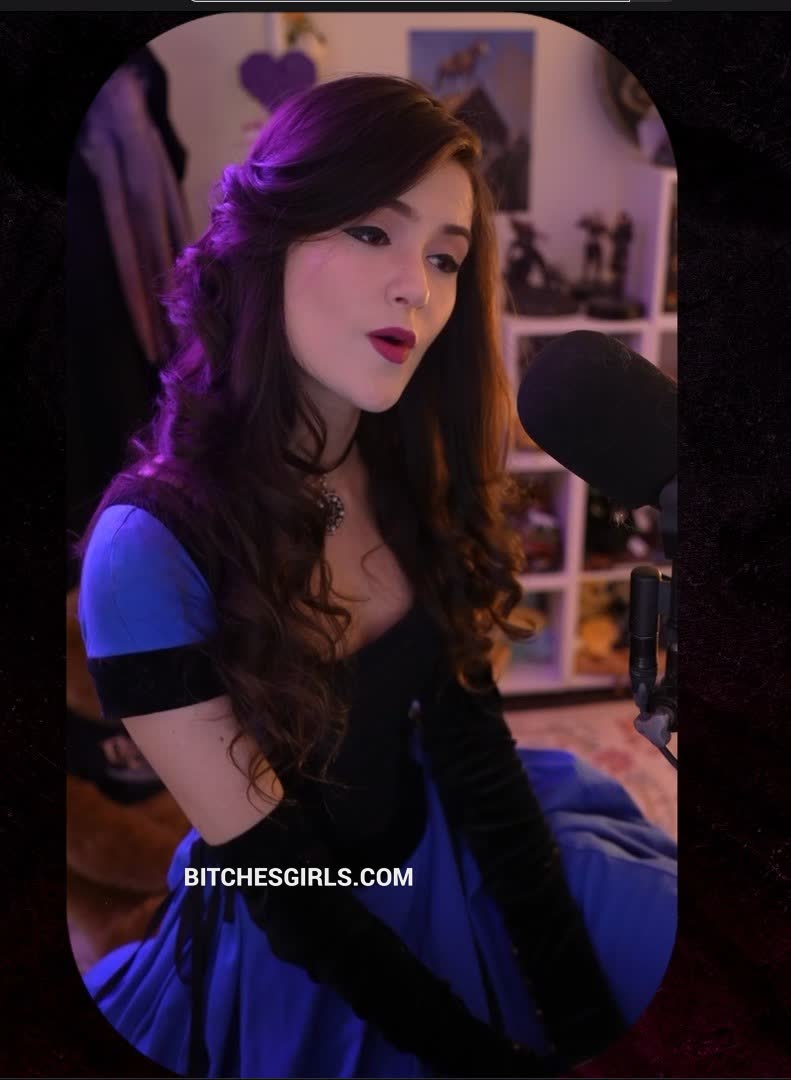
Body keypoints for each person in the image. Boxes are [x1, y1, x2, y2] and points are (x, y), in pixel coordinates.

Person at [74, 73, 677, 1079]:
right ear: (269, 240)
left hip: (454, 836)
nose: (419, 289)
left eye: (444, 256)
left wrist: (577, 1016)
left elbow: (470, 747)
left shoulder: (402, 467)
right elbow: (299, 899)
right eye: (370, 233)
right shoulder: (144, 550)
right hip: (303, 924)